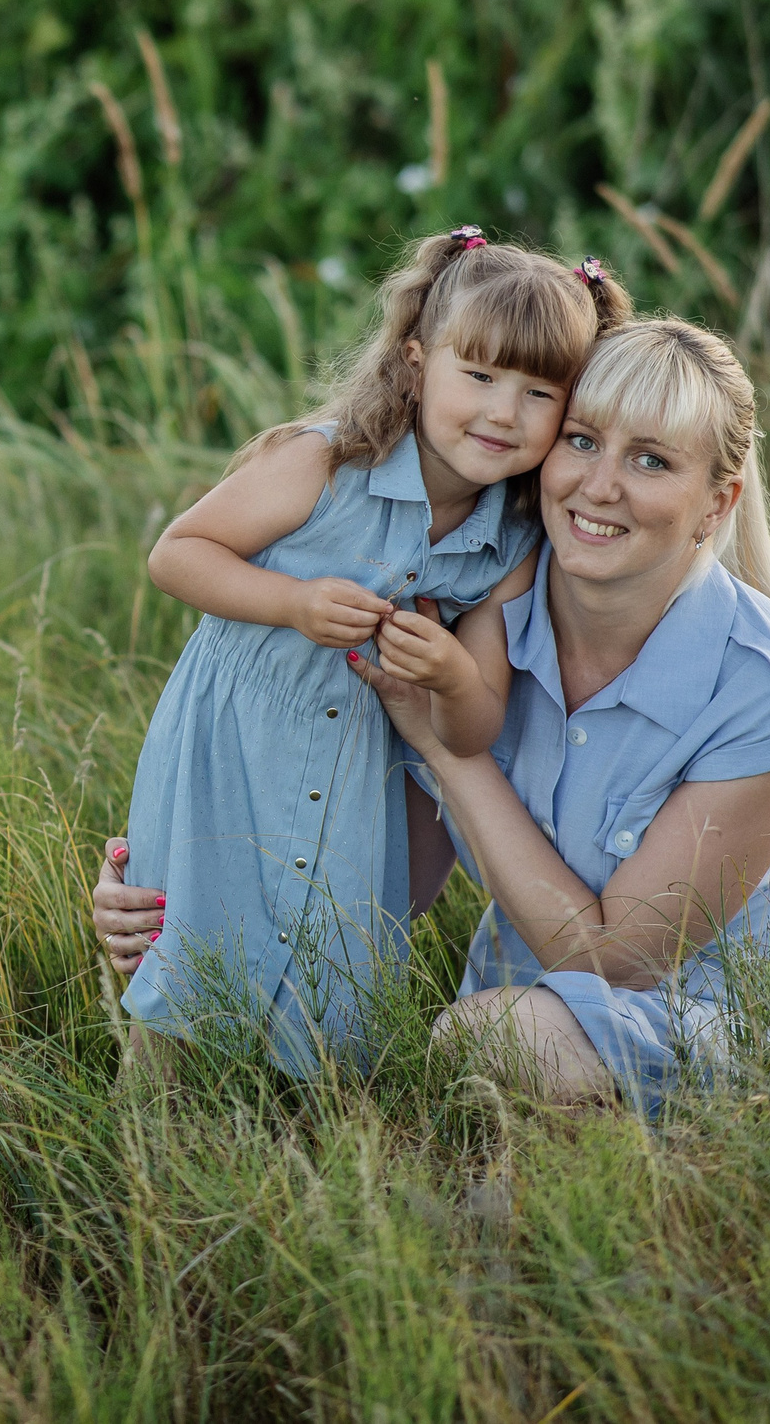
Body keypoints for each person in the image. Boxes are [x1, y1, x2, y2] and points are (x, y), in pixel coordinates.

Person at [95, 318, 770, 1112]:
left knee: (489, 1041)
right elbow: (358, 872)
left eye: (651, 460)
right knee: (452, 1080)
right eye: (582, 440)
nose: (601, 484)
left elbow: (615, 963)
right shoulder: (474, 609)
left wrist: (449, 749)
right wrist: (169, 889)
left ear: (719, 500)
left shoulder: (762, 685)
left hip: (752, 1031)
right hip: (526, 1017)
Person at [108, 227, 631, 1076]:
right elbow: (179, 552)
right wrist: (295, 601)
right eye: (480, 375)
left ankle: (310, 1138)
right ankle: (149, 1138)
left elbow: (477, 720)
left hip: (360, 770)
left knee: (329, 979)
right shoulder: (327, 463)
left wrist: (450, 670)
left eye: (541, 393)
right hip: (237, 743)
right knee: (193, 950)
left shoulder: (515, 540)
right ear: (419, 363)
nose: (504, 412)